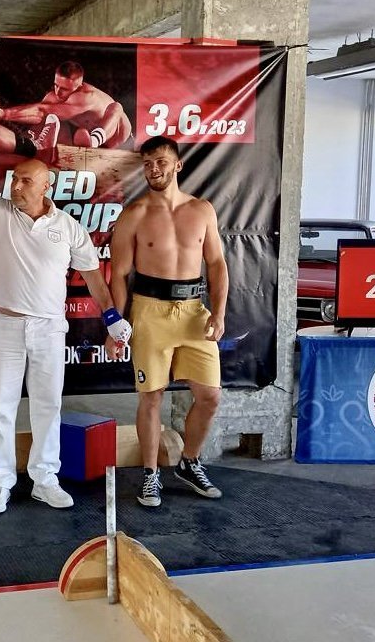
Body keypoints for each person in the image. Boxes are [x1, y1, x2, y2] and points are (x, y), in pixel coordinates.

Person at [0, 158, 132, 514]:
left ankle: (45, 479)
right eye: (14, 179)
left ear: (46, 187)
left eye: (26, 181)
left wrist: (112, 320)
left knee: (48, 406)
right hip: (4, 326)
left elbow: (94, 278)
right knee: (0, 407)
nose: (16, 186)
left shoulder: (67, 227)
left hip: (49, 329)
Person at [109, 136, 229, 508]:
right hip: (149, 311)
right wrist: (116, 325)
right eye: (147, 163)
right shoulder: (134, 214)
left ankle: (189, 462)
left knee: (209, 396)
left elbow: (216, 264)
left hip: (194, 312)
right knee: (151, 396)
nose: (154, 169)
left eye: (161, 161)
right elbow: (118, 274)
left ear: (177, 165)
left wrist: (219, 312)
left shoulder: (202, 210)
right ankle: (150, 475)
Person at [0, 61, 132, 161]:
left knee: (116, 107)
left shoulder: (88, 97)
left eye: (64, 89)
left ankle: (93, 142)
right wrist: (2, 114)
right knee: (53, 121)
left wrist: (4, 114)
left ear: (79, 85)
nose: (58, 92)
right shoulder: (53, 96)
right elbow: (39, 114)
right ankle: (42, 149)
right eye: (56, 85)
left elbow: (42, 110)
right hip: (83, 138)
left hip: (116, 137)